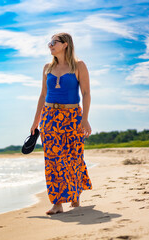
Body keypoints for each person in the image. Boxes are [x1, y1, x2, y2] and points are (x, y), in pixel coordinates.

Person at [30, 32, 93, 215]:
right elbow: (43, 95)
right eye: (49, 42)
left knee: (73, 156)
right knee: (52, 159)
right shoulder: (47, 68)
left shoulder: (79, 66)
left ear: (65, 44)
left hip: (73, 116)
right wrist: (36, 121)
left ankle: (75, 193)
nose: (50, 45)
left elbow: (86, 93)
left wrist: (85, 118)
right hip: (50, 116)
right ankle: (57, 202)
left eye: (53, 42)